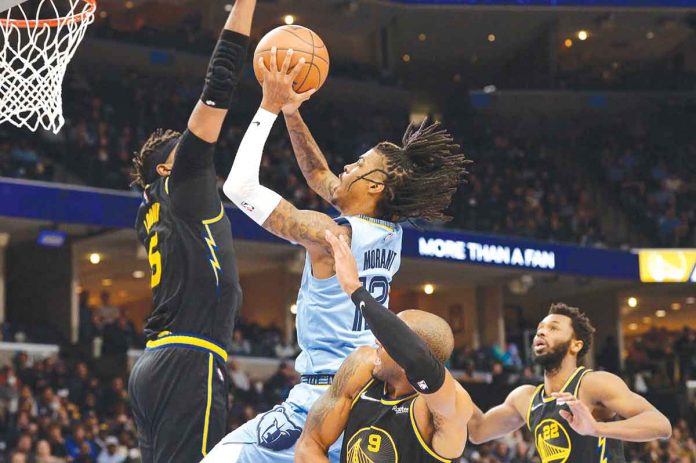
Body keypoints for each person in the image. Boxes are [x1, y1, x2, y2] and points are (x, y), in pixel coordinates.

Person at [203, 46, 470, 463]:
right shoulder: (388, 231)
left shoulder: (334, 233)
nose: (346, 166)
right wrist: (294, 113)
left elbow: (239, 189)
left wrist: (269, 108)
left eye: (359, 164)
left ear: (377, 187)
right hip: (360, 396)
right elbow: (319, 176)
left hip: (322, 394)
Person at [126, 1, 255, 461]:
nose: (198, 145)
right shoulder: (181, 184)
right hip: (189, 357)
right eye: (185, 146)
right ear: (168, 166)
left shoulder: (153, 211)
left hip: (156, 363)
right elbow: (218, 86)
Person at [294, 229, 473, 462]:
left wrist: (355, 289)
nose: (377, 340)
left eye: (387, 338)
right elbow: (310, 445)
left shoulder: (449, 405)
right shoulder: (361, 366)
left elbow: (417, 359)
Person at [468, 303, 673, 462]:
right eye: (540, 329)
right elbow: (477, 431)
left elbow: (661, 425)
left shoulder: (593, 383)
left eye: (553, 328)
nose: (541, 332)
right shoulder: (524, 398)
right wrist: (442, 378)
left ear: (576, 345)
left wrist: (596, 429)